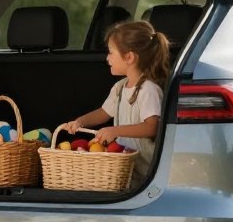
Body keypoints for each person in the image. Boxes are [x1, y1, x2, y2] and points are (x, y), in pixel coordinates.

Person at [65, 19, 170, 184]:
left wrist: (115, 131)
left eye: (111, 52)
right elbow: (103, 113)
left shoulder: (148, 89)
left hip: (144, 172)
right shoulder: (120, 87)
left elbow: (152, 127)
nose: (107, 58)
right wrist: (80, 122)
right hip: (124, 168)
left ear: (129, 57)